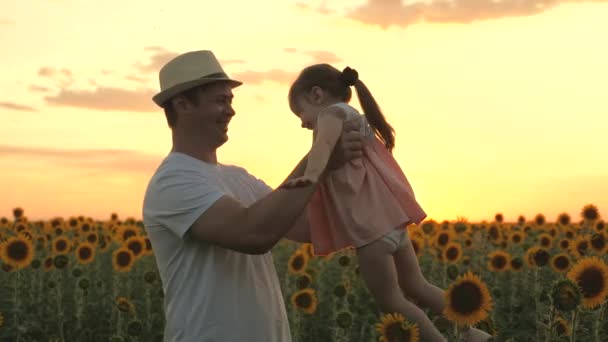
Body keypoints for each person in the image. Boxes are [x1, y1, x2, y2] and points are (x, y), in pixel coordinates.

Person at [142, 50, 363, 342]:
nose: (230, 111)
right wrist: (318, 158)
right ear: (182, 105)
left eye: (230, 101)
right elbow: (254, 233)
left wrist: (353, 173)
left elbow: (308, 225)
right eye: (221, 101)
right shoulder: (172, 182)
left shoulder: (238, 177)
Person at [282, 64, 492, 342]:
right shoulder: (356, 117)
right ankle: (472, 331)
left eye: (301, 112)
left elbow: (321, 147)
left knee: (392, 301)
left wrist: (310, 176)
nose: (303, 122)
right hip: (393, 225)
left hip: (369, 233)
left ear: (317, 94)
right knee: (418, 285)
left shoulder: (331, 115)